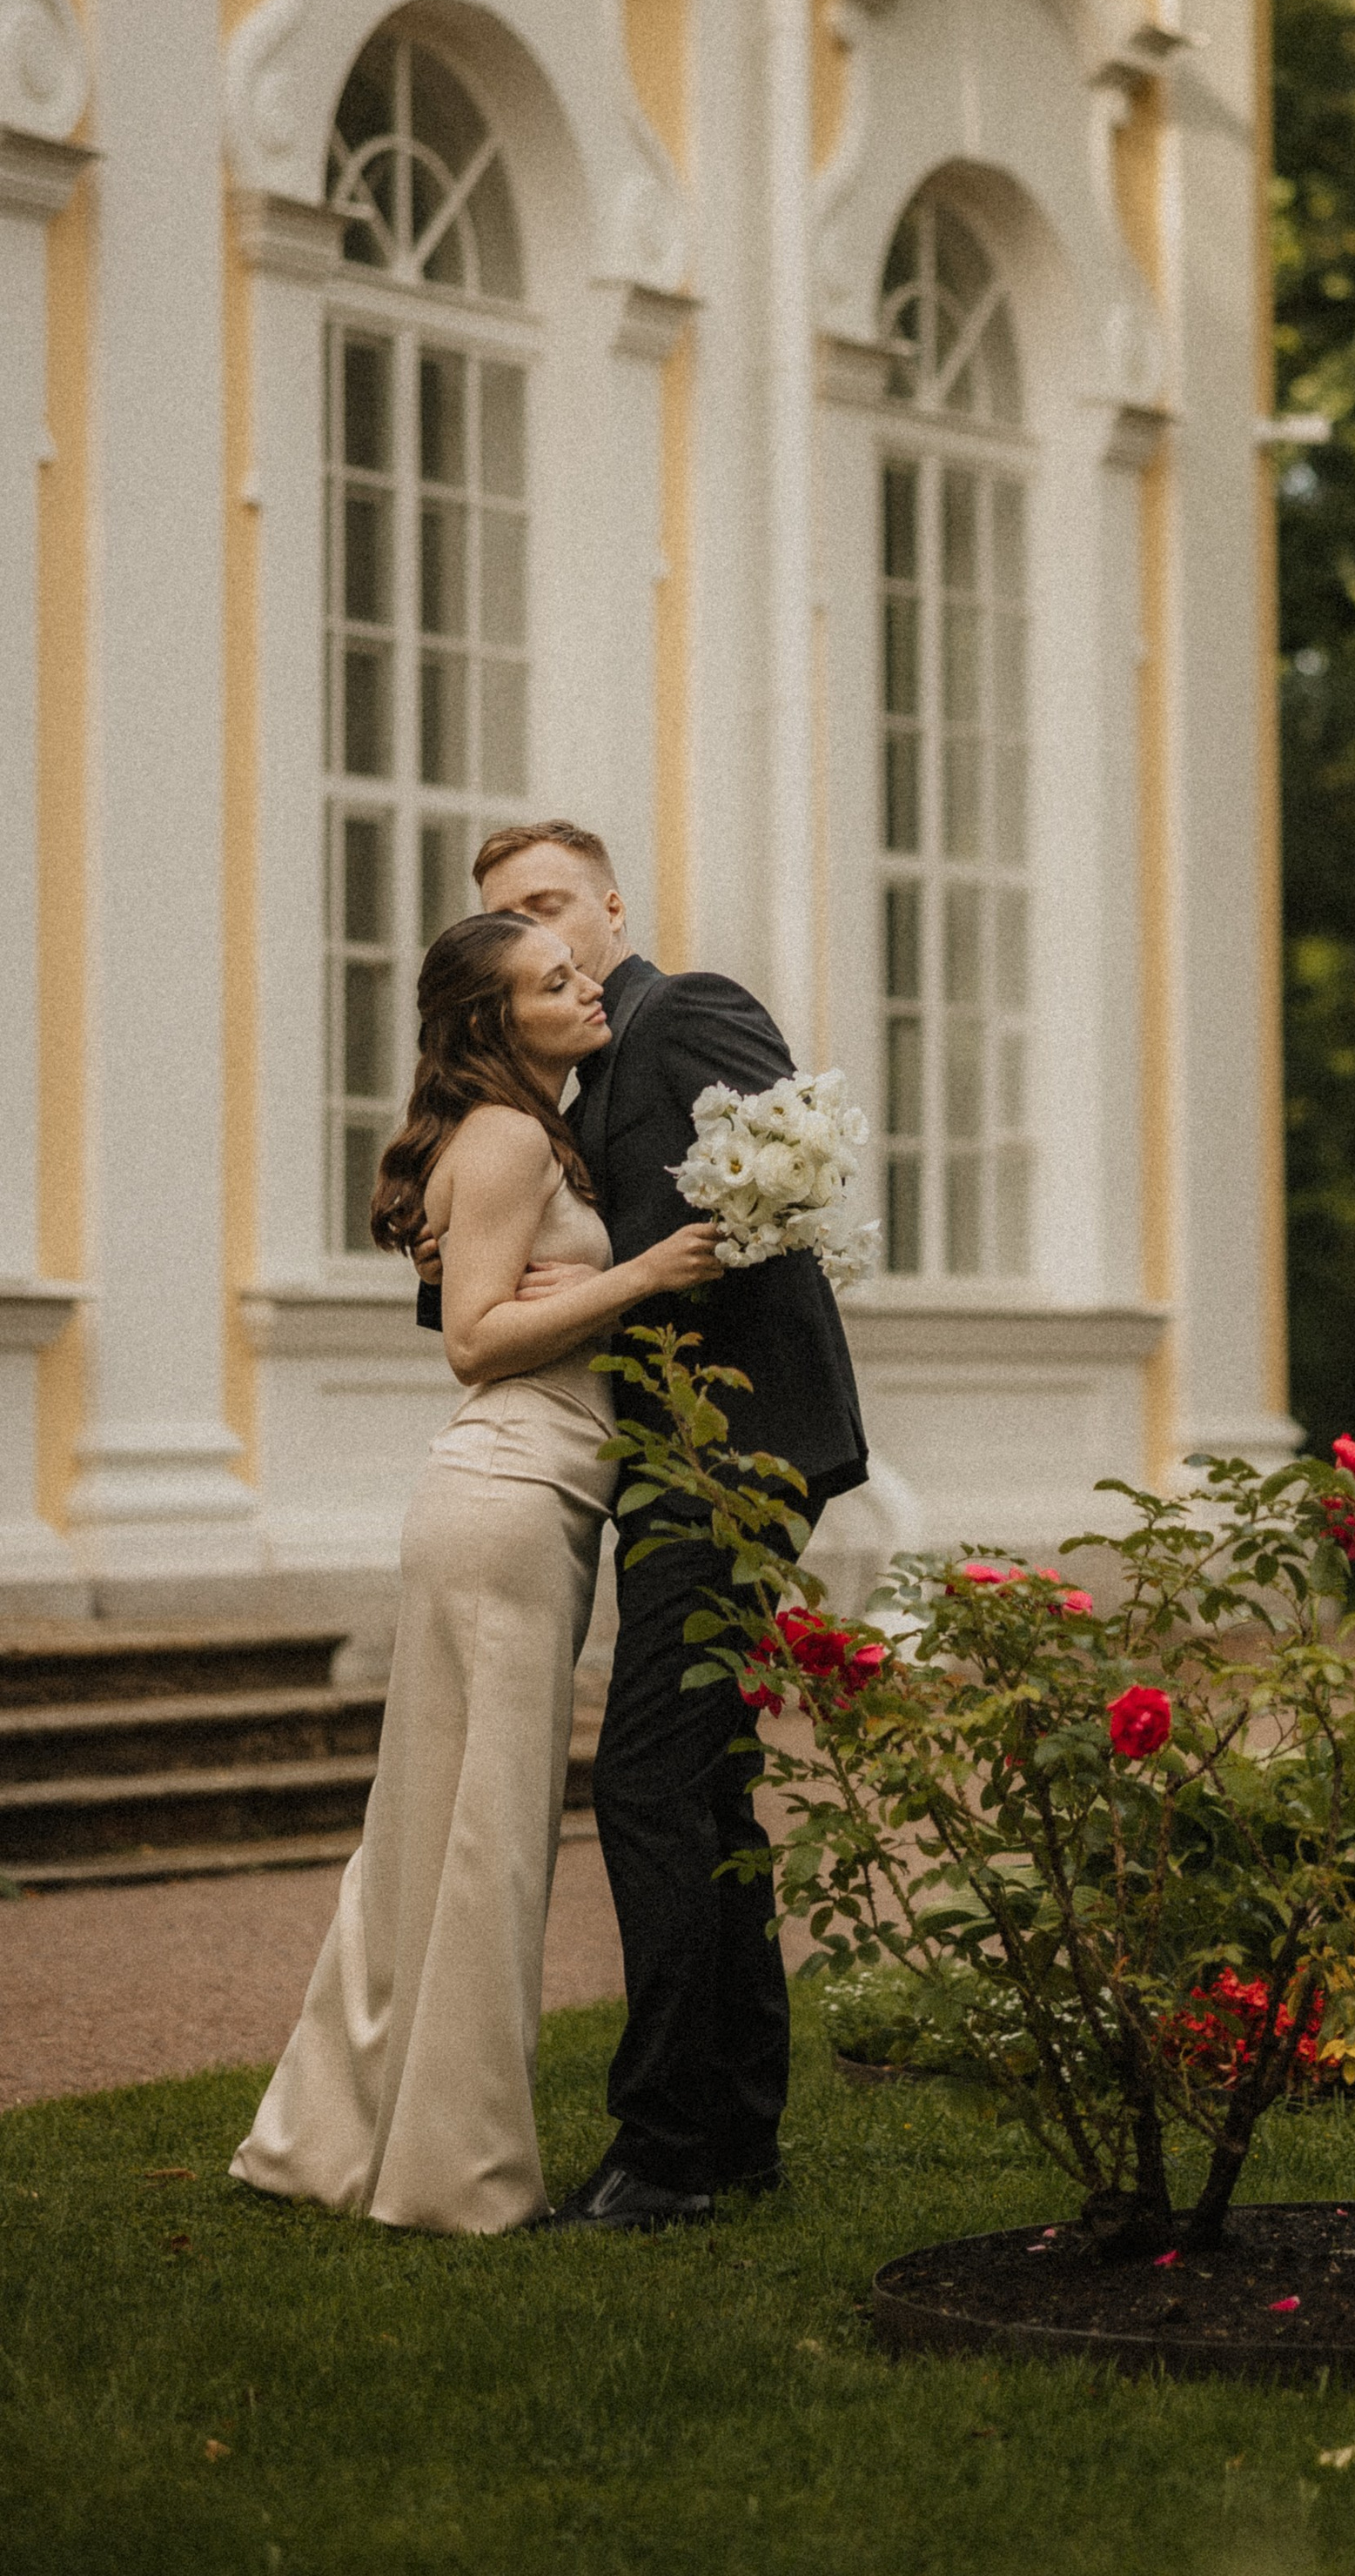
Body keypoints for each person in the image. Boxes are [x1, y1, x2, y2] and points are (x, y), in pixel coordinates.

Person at [230, 915, 725, 2235]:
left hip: (511, 1507)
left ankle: (332, 2142)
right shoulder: (508, 1138)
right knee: (486, 1849)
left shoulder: (520, 1129)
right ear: (498, 1024)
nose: (586, 988)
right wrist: (646, 1270)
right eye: (552, 983)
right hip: (507, 1500)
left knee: (431, 1835)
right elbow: (473, 1342)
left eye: (579, 968)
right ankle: (458, 2175)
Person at [462, 821, 869, 2234]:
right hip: (676, 1452)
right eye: (515, 919)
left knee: (645, 1780)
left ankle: (671, 2153)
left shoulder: (683, 1009)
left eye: (554, 902)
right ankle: (729, 2138)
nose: (545, 932)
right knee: (695, 1782)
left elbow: (792, 1170)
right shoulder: (561, 1088)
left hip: (741, 1446)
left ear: (611, 905)